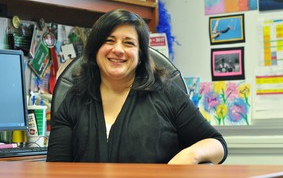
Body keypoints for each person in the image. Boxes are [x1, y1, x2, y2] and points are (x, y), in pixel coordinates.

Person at [46, 9, 228, 164]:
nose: (118, 50)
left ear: (140, 54)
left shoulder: (166, 93)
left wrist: (191, 154)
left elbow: (217, 144)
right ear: (95, 50)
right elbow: (56, 168)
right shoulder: (74, 99)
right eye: (109, 41)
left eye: (128, 43)